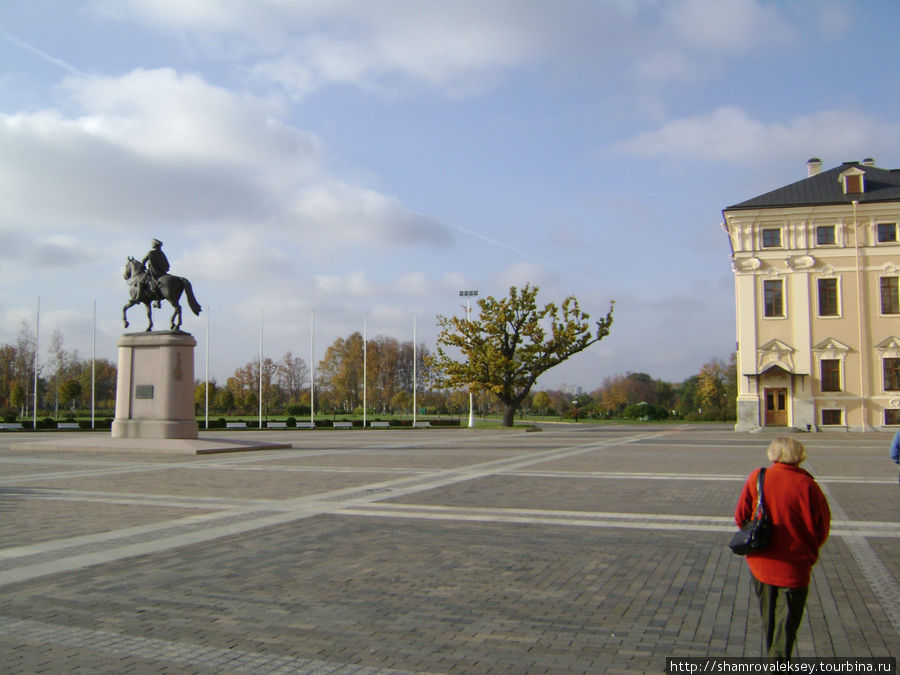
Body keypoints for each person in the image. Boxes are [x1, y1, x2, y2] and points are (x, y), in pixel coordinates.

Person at [734, 437, 830, 660]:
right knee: (786, 628)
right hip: (794, 567)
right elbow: (821, 528)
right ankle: (777, 665)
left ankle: (774, 660)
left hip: (761, 562)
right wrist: (807, 551)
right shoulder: (809, 486)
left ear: (773, 453)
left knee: (769, 619)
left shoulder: (758, 477)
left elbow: (741, 517)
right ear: (799, 455)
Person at [141, 239, 170, 308]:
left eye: (152, 243)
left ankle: (137, 297)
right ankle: (158, 300)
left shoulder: (150, 253)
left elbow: (143, 261)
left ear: (154, 245)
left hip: (153, 273)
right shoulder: (162, 253)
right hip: (163, 273)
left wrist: (144, 267)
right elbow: (167, 265)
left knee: (141, 282)